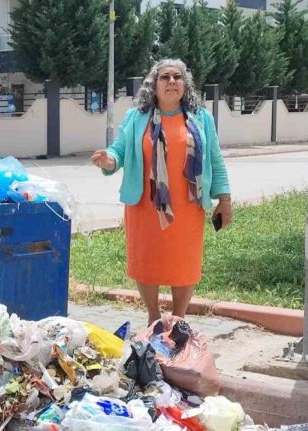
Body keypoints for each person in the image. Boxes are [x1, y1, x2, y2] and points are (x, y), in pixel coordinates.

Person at [91, 58, 232, 325]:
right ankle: (154, 318)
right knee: (146, 261)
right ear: (153, 85)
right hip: (145, 206)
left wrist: (224, 199)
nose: (172, 82)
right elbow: (119, 150)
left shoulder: (202, 118)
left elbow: (215, 159)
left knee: (185, 263)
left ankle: (178, 320)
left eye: (178, 77)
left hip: (188, 207)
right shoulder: (136, 117)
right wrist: (108, 160)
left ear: (185, 85)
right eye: (165, 77)